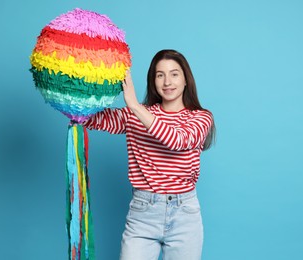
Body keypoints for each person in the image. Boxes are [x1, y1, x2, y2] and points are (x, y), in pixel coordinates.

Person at [84, 49, 216, 260]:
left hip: (185, 214)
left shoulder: (201, 118)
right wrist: (72, 88)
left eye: (174, 74)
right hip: (142, 213)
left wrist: (135, 105)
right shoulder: (134, 115)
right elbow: (89, 118)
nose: (167, 82)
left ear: (185, 80)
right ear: (153, 80)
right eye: (159, 75)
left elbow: (177, 141)